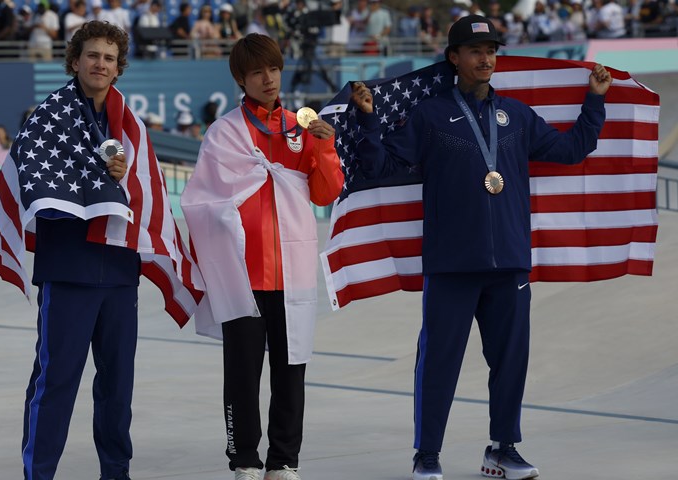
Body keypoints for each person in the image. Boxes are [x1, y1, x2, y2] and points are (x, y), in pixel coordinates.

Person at [349, 14, 612, 480]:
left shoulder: (518, 115)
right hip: (451, 263)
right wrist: (368, 120)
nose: (485, 58)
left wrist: (595, 100)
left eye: (491, 50)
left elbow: (572, 150)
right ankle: (426, 456)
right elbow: (380, 166)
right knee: (439, 362)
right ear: (454, 58)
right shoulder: (430, 114)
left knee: (510, 361)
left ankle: (503, 449)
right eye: (475, 51)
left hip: (509, 261)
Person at [180, 33, 343, 480]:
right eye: (257, 72)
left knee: (291, 371)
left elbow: (326, 193)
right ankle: (245, 460)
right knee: (243, 375)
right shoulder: (225, 133)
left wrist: (326, 149)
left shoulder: (302, 129)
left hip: (293, 273)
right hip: (242, 274)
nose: (268, 78)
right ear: (241, 79)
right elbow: (200, 200)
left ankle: (284, 459)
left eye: (273, 68)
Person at [18, 21, 137, 480]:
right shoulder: (48, 119)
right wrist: (96, 176)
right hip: (69, 270)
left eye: (109, 58)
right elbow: (40, 191)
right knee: (56, 383)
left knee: (117, 388)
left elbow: (145, 189)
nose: (100, 64)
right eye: (92, 55)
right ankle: (39, 474)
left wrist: (123, 180)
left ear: (118, 67)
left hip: (121, 270)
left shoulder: (131, 125)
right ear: (75, 61)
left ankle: (116, 473)